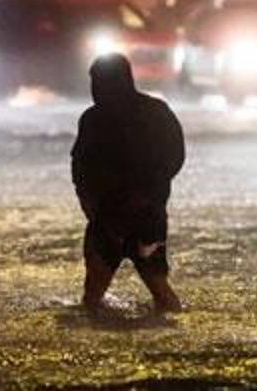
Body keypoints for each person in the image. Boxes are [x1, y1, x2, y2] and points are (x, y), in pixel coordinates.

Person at [71, 53, 185, 314]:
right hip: (140, 215)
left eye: (97, 82)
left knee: (93, 298)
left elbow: (81, 169)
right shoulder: (156, 112)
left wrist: (91, 204)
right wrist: (152, 194)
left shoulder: (94, 119)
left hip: (115, 216)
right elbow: (175, 157)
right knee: (159, 289)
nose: (94, 89)